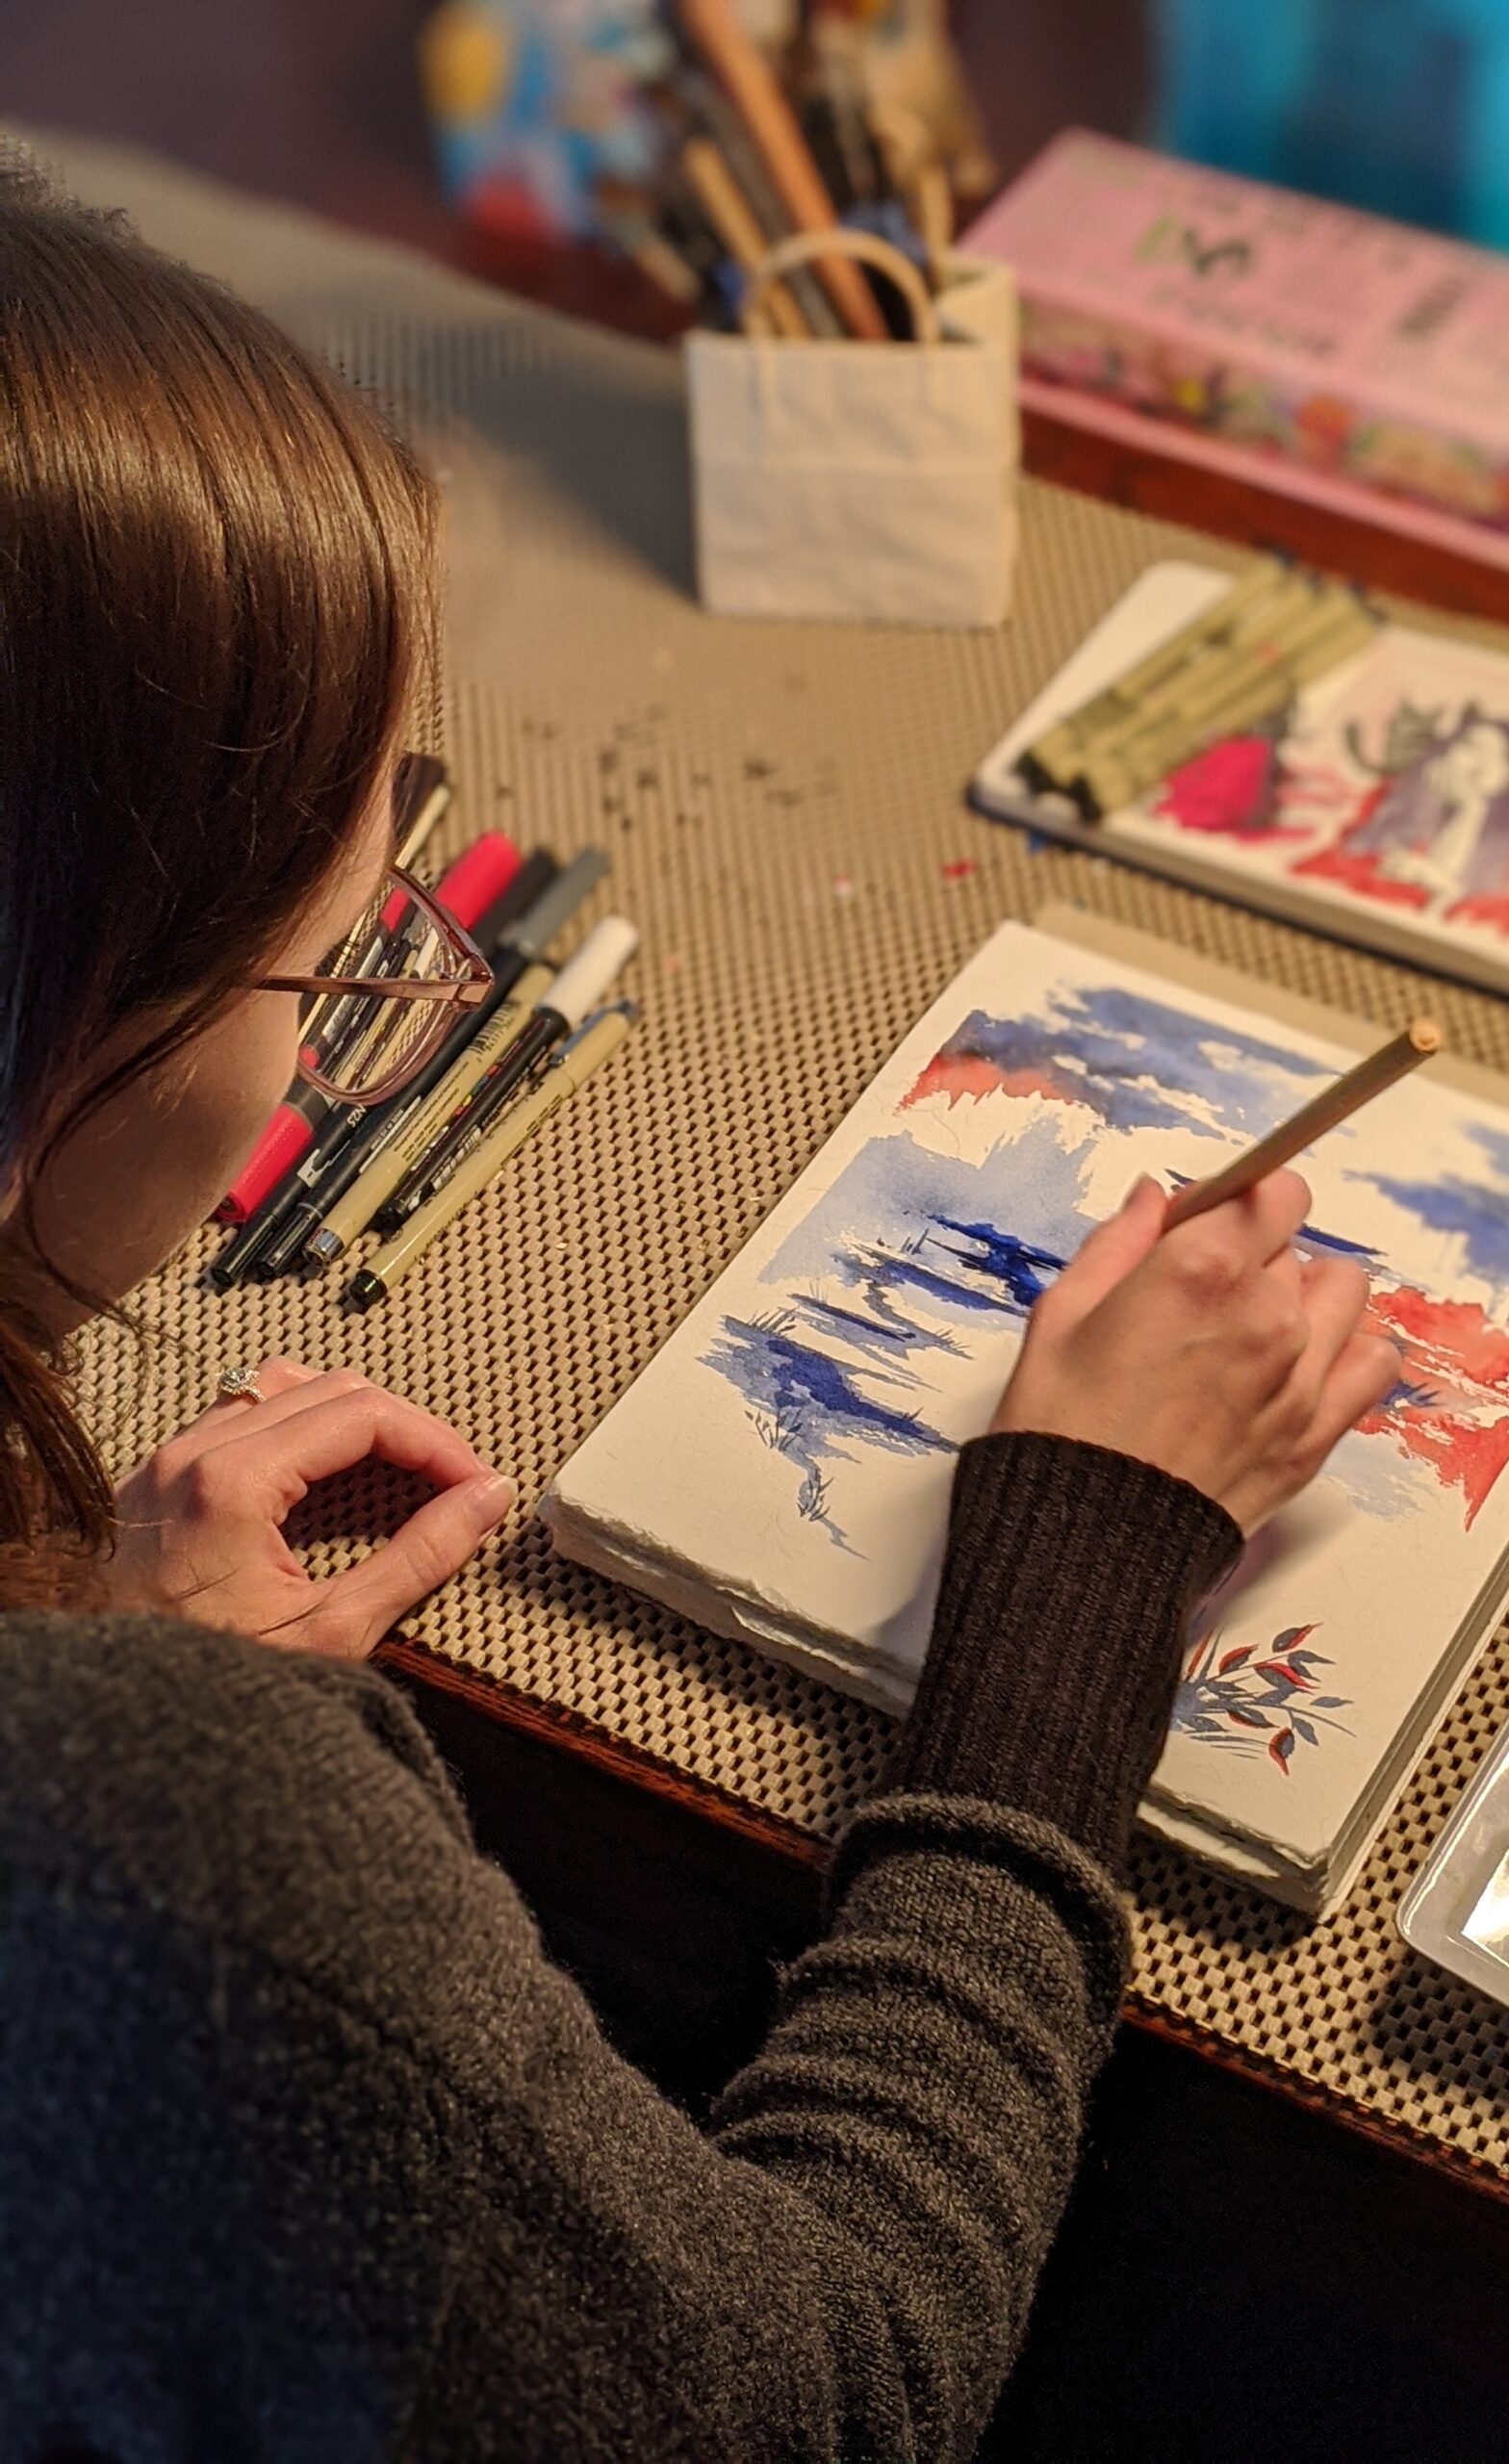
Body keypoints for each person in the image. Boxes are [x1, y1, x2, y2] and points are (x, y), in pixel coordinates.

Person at [0, 160, 1398, 2463]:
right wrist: (1083, 1561)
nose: (359, 1019)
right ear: (51, 1045)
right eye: (341, 965)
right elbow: (813, 2391)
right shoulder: (172, 1866)